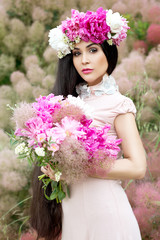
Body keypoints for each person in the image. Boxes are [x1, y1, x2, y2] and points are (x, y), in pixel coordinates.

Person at [30, 8, 147, 240]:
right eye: (76, 53)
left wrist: (78, 167)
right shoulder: (63, 103)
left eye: (92, 50)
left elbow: (137, 167)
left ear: (108, 53)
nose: (84, 60)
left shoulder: (118, 104)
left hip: (108, 217)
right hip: (72, 217)